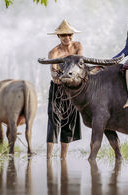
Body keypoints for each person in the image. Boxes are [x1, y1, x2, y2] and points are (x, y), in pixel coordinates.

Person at [46, 19, 82, 159]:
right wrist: (63, 77)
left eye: (69, 35)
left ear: (72, 35)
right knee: (53, 118)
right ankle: (48, 157)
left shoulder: (78, 46)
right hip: (58, 88)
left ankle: (63, 158)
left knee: (70, 120)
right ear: (58, 37)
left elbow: (79, 65)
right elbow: (54, 75)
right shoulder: (54, 52)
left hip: (73, 89)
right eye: (63, 35)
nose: (67, 38)